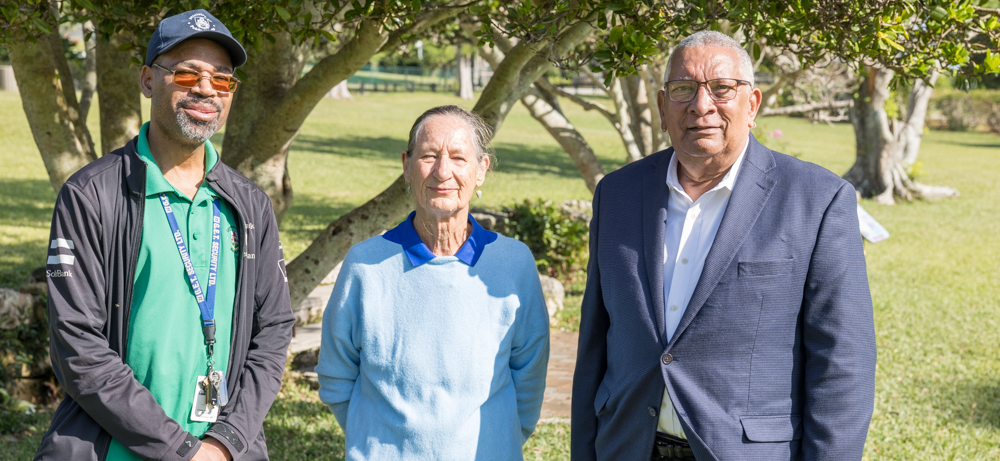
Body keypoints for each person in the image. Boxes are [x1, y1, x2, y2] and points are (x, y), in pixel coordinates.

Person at [571, 30, 876, 461]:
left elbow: (844, 364)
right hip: (627, 447)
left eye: (721, 89)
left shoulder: (818, 200)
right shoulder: (617, 194)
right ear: (661, 107)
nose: (701, 105)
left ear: (752, 104)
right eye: (683, 89)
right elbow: (595, 346)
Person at [35, 9, 294, 461]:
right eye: (186, 72)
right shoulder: (92, 195)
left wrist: (224, 443)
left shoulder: (249, 204)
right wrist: (183, 451)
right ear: (148, 80)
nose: (206, 88)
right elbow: (78, 346)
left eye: (223, 79)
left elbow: (273, 331)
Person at [316, 105, 550, 460]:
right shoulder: (365, 264)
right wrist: (378, 441)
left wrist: (495, 444)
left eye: (458, 157)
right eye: (428, 156)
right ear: (406, 166)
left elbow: (529, 378)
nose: (443, 172)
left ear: (481, 170)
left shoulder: (513, 263)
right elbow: (336, 376)